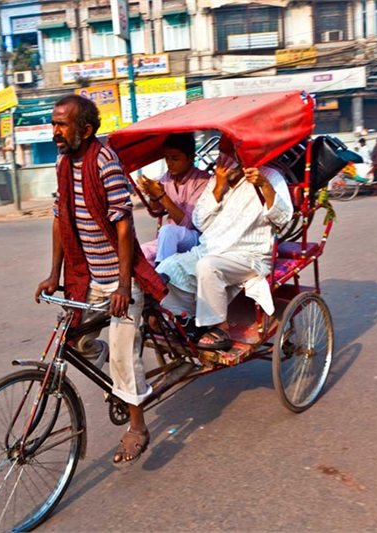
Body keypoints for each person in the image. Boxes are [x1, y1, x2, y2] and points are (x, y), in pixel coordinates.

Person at [34, 95, 166, 465]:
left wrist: (124, 287)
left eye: (62, 125)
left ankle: (138, 426)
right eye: (54, 123)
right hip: (87, 276)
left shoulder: (105, 162)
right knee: (76, 342)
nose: (55, 131)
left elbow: (124, 226)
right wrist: (53, 275)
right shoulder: (63, 163)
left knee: (125, 354)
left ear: (86, 130)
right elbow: (60, 219)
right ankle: (116, 379)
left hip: (119, 277)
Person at [156, 137, 293, 351]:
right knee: (166, 268)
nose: (224, 160)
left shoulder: (270, 176)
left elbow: (283, 220)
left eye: (230, 154)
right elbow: (199, 221)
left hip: (248, 255)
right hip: (211, 249)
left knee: (208, 267)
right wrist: (218, 189)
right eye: (222, 154)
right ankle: (185, 317)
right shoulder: (215, 181)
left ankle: (220, 328)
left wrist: (265, 187)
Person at [137, 133, 210, 266]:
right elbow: (156, 210)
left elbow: (189, 224)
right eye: (167, 158)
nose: (170, 163)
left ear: (190, 157)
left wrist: (161, 195)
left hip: (195, 237)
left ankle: (163, 276)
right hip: (167, 238)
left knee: (168, 230)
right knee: (141, 253)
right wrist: (152, 195)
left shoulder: (203, 181)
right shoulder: (166, 178)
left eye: (175, 158)